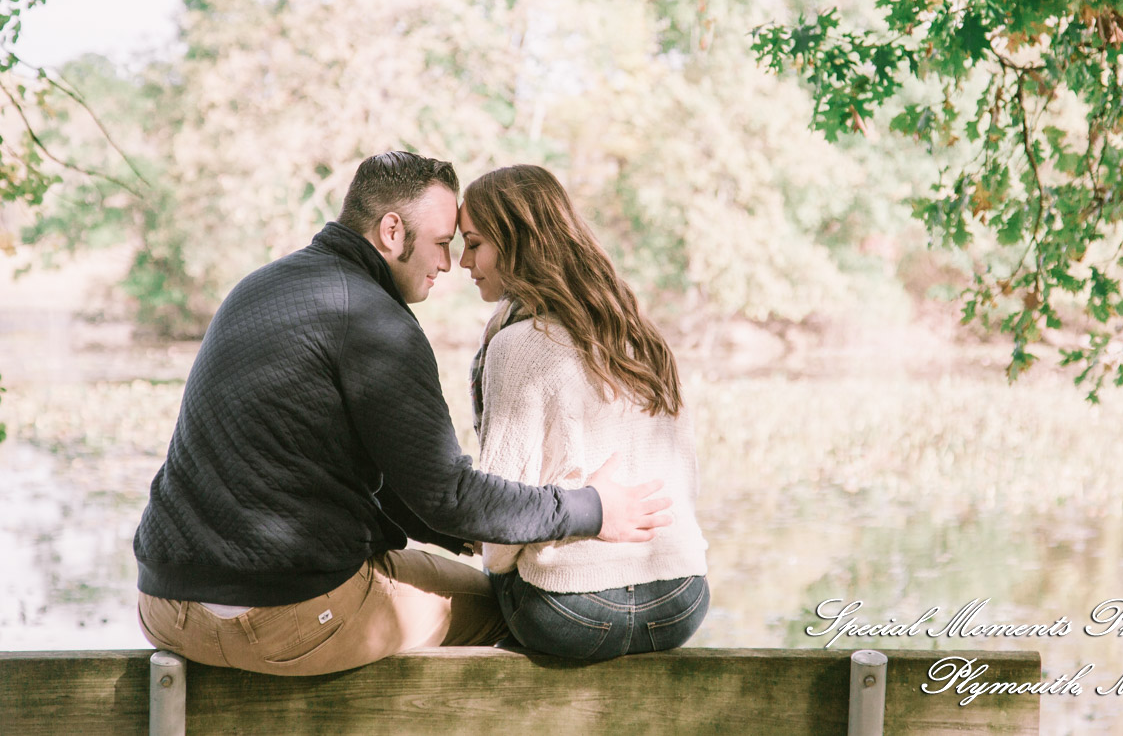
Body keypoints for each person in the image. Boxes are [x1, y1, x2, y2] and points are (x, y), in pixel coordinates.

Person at [132, 151, 672, 676]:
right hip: (284, 618)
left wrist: (482, 532)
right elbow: (448, 494)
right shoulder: (376, 323)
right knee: (515, 613)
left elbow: (407, 488)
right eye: (441, 244)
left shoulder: (262, 287)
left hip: (164, 605)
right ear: (392, 231)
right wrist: (592, 510)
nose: (447, 264)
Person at [458, 164, 709, 660]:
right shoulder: (639, 333)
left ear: (517, 242)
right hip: (682, 598)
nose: (463, 261)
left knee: (484, 587)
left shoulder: (517, 345)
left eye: (474, 243)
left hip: (575, 613)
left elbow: (499, 528)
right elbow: (687, 481)